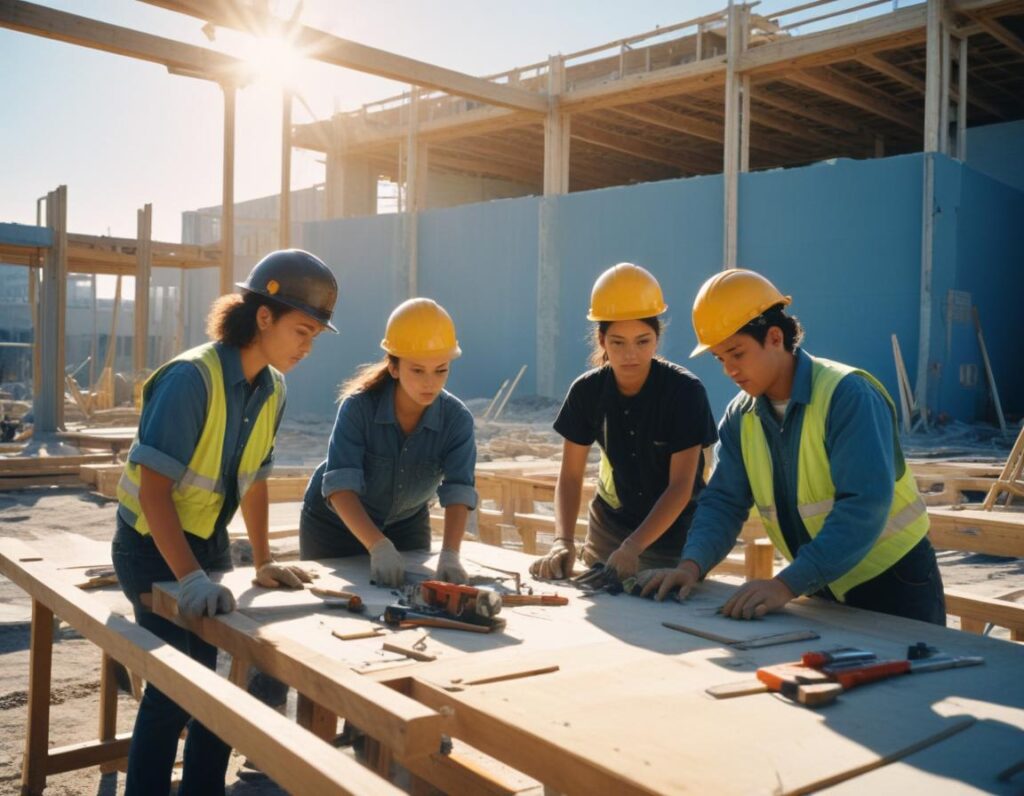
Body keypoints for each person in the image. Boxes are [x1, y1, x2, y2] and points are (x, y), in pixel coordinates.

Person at [111, 249, 338, 795]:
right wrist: (187, 578)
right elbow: (154, 491)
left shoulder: (273, 389)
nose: (308, 347)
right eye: (302, 331)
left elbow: (254, 480)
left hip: (209, 546)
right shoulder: (192, 379)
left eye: (315, 336)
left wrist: (261, 560)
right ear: (264, 317)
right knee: (176, 688)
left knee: (219, 687)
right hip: (148, 546)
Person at [640, 268, 945, 625]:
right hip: (819, 585)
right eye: (721, 359)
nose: (729, 370)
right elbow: (723, 502)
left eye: (736, 353)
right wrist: (691, 565)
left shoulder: (848, 396)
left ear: (774, 337)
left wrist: (785, 584)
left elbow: (864, 506)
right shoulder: (741, 417)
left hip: (895, 584)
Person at [529, 263, 717, 581]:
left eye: (642, 341)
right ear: (602, 340)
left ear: (657, 339)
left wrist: (634, 547)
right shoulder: (586, 391)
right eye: (618, 342)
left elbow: (681, 486)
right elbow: (571, 476)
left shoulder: (685, 392)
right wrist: (563, 541)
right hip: (609, 531)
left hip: (674, 536)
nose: (631, 354)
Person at [299, 297, 477, 586]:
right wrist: (378, 547)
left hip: (406, 523)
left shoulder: (457, 421)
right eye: (417, 370)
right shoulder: (357, 408)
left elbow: (459, 490)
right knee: (337, 606)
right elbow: (341, 488)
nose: (430, 382)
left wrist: (450, 554)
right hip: (335, 524)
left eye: (441, 370)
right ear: (394, 368)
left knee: (415, 601)